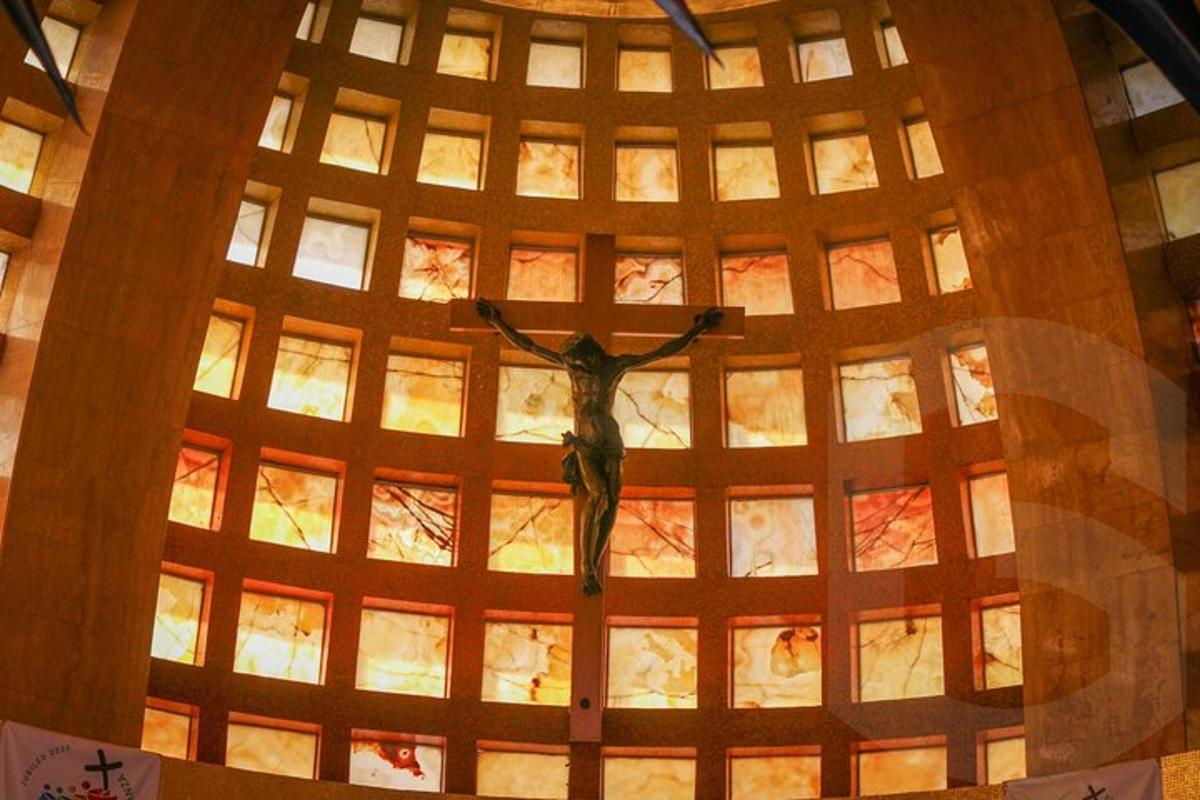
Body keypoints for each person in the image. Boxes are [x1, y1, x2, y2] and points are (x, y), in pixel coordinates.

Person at [477, 299, 723, 594]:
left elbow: (661, 352)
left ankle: (594, 562)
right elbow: (529, 346)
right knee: (598, 496)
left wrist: (697, 329)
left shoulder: (615, 366)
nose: (577, 366)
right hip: (585, 443)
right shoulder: (571, 365)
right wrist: (496, 322)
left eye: (581, 361)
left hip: (610, 442)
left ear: (592, 354)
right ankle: (587, 568)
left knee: (613, 499)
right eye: (574, 363)